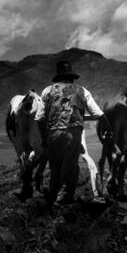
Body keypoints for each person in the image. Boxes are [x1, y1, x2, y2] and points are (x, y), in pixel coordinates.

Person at [35, 60, 110, 207]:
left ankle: (52, 195)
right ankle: (63, 198)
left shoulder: (47, 91)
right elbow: (97, 112)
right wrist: (109, 127)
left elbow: (39, 118)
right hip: (72, 134)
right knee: (70, 167)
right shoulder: (82, 90)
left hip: (53, 134)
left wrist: (45, 139)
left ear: (58, 77)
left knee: (55, 166)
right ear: (71, 77)